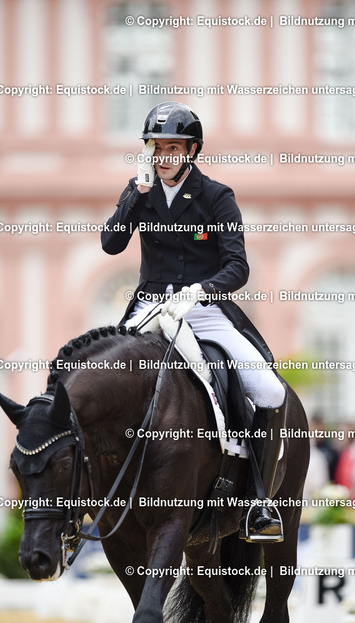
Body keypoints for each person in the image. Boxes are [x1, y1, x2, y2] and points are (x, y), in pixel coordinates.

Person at [101, 101, 286, 541]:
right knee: (104, 376)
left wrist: (201, 290)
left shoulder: (216, 196)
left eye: (173, 147)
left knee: (269, 390)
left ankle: (258, 502)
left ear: (191, 150)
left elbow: (237, 267)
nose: (163, 156)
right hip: (150, 307)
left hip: (200, 309)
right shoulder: (140, 190)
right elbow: (111, 243)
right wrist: (136, 194)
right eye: (156, 147)